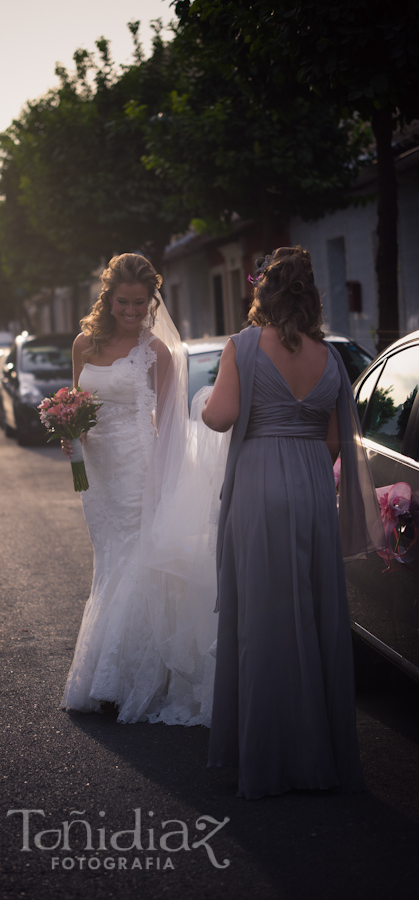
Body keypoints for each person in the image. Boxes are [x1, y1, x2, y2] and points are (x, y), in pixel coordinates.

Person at [202, 246, 384, 799]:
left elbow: (221, 416)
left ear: (262, 292)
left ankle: (268, 760)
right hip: (309, 486)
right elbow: (334, 441)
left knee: (262, 620)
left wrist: (209, 399)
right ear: (311, 297)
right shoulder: (329, 358)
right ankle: (317, 754)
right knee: (312, 615)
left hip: (260, 484)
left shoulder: (242, 345)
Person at [61, 252, 222, 724]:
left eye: (140, 304)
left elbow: (170, 425)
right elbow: (77, 403)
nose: (132, 312)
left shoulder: (159, 352)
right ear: (107, 298)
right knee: (109, 558)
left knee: (135, 556)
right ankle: (111, 668)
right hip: (98, 469)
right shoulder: (83, 345)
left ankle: (123, 678)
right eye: (123, 303)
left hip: (137, 464)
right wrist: (70, 432)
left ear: (152, 301)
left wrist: (172, 482)